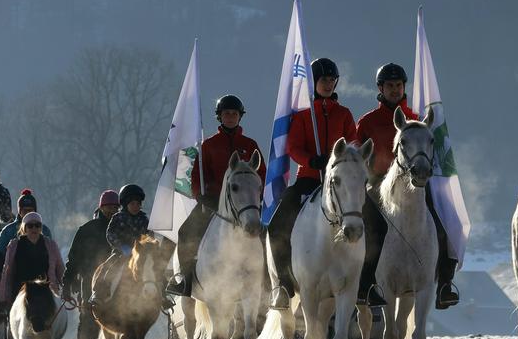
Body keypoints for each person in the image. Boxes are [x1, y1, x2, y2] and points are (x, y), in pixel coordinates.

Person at [355, 63, 460, 310]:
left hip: (416, 183)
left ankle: (444, 283)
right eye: (390, 86)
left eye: (399, 85)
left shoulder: (417, 120)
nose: (395, 90)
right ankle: (366, 285)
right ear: (381, 88)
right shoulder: (367, 121)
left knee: (444, 222)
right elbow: (360, 155)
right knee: (368, 229)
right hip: (379, 184)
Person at [266, 58, 358, 310]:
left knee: (369, 218)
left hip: (340, 182)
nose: (328, 84)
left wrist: (342, 162)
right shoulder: (304, 116)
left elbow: (355, 144)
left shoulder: (344, 114)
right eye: (323, 80)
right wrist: (312, 160)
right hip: (308, 179)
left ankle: (367, 283)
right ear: (314, 83)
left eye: (331, 80)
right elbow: (293, 147)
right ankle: (284, 284)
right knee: (276, 226)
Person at [166, 95, 265, 297]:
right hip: (212, 203)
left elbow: (260, 173)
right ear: (220, 117)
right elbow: (196, 176)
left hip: (245, 204)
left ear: (240, 117)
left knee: (266, 235)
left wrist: (255, 196)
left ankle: (269, 281)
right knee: (186, 232)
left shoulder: (250, 144)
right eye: (226, 114)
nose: (230, 117)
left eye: (234, 114)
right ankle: (185, 280)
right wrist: (199, 195)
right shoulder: (209, 145)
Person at [62, 190, 119, 339]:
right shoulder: (86, 230)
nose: (111, 210)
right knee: (88, 326)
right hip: (89, 286)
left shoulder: (122, 230)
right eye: (108, 207)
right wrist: (67, 284)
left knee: (114, 328)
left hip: (117, 288)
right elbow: (73, 260)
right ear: (101, 207)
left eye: (115, 207)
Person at [90, 184, 152, 307]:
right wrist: (121, 246)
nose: (136, 207)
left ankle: (163, 295)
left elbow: (149, 235)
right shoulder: (118, 218)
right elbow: (110, 234)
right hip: (121, 253)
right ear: (125, 204)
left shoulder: (144, 219)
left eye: (138, 204)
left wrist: (148, 247)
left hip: (141, 254)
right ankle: (99, 293)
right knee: (107, 269)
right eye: (132, 204)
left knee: (153, 268)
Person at [0, 212, 65, 308]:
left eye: (37, 225)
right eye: (30, 226)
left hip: (47, 293)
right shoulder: (14, 245)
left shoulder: (50, 245)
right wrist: (3, 297)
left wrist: (67, 289)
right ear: (24, 228)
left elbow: (60, 268)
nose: (34, 228)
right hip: (21, 294)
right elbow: (7, 272)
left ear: (41, 228)